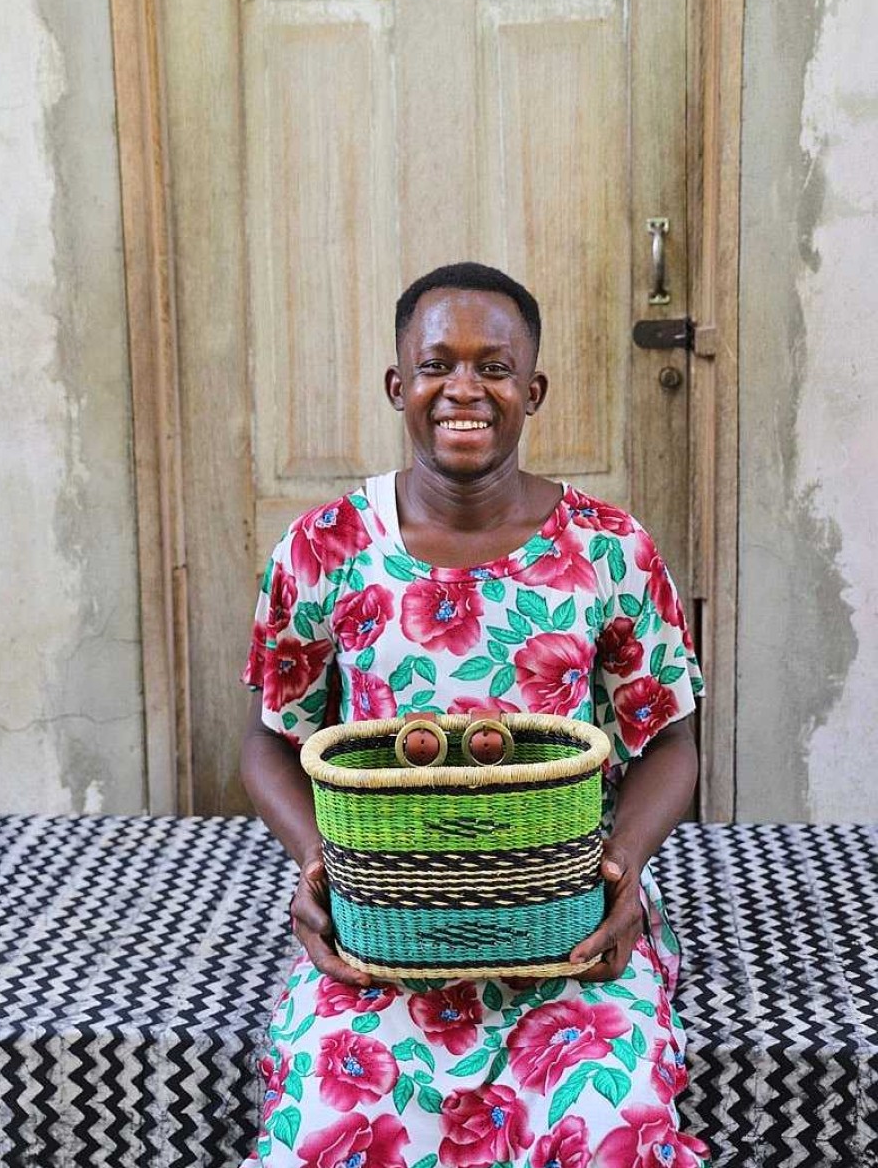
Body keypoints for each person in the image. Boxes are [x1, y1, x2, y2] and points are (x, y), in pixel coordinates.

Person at [239, 262, 711, 1168]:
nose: (464, 388)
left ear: (531, 390)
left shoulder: (610, 549)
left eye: (493, 367)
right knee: (328, 1130)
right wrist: (318, 864)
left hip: (567, 925)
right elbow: (270, 739)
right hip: (382, 931)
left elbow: (671, 742)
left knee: (610, 1125)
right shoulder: (324, 547)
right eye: (435, 365)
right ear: (397, 385)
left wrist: (622, 873)